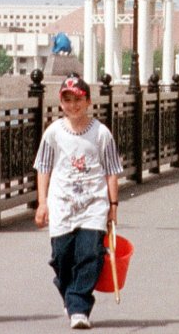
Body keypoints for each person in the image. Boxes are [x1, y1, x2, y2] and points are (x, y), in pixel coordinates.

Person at [35, 75, 123, 330]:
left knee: (90, 254)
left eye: (78, 100)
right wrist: (42, 203)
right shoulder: (54, 133)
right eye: (67, 100)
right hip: (62, 204)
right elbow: (43, 168)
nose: (73, 105)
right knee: (61, 256)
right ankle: (71, 294)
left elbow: (111, 170)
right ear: (61, 102)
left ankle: (79, 308)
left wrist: (113, 206)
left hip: (93, 205)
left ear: (88, 102)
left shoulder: (100, 133)